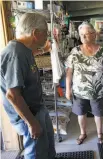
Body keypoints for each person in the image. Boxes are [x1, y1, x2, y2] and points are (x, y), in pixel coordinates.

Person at [0, 13, 55, 159]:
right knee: (37, 153)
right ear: (36, 33)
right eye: (45, 33)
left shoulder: (24, 49)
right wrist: (31, 123)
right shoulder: (15, 54)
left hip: (37, 108)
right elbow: (12, 95)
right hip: (28, 115)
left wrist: (44, 50)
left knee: (48, 146)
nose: (46, 37)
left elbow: (29, 58)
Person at [65, 22, 103, 145]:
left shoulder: (102, 51)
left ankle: (99, 133)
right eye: (81, 35)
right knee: (81, 113)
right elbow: (69, 71)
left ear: (94, 34)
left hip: (98, 90)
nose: (83, 38)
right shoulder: (75, 51)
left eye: (86, 34)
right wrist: (67, 88)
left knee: (98, 113)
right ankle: (83, 133)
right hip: (79, 91)